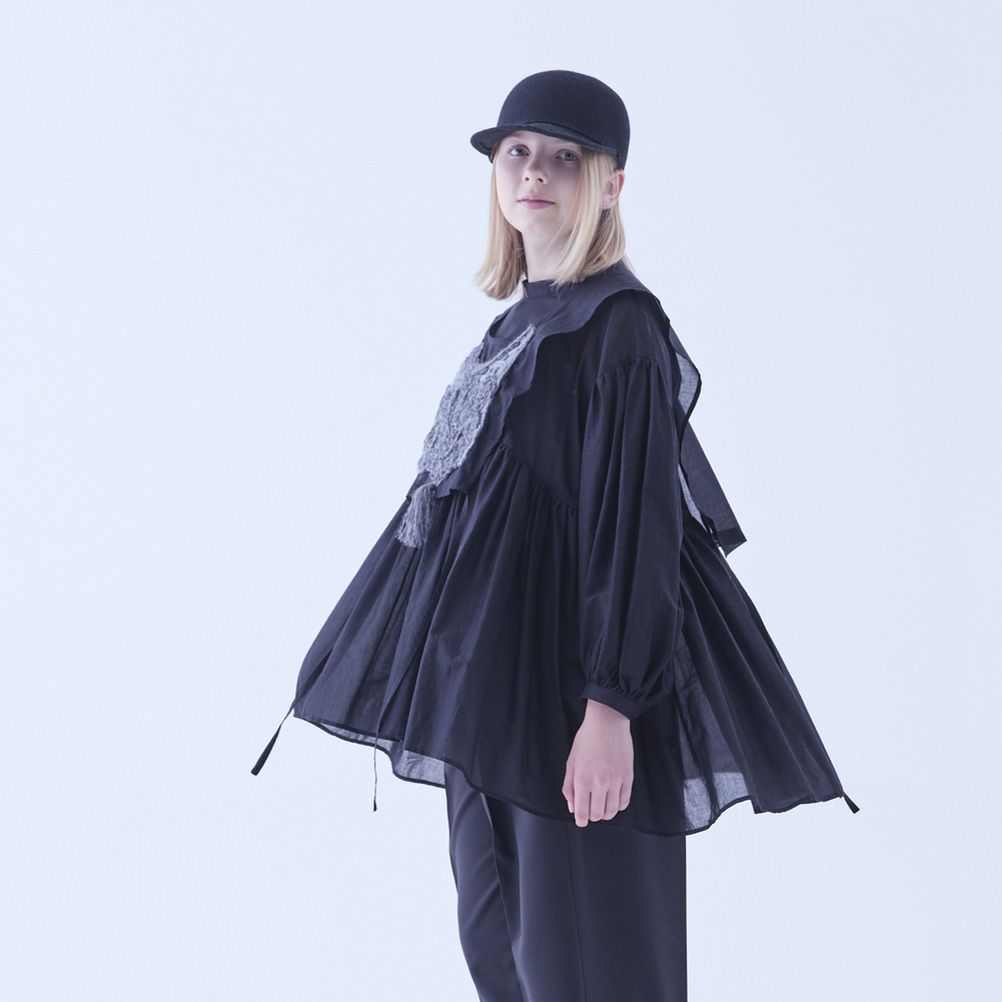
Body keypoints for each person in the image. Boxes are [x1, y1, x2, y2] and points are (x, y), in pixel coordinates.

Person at [251, 69, 859, 1001]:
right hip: (487, 696)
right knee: (505, 954)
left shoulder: (620, 326)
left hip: (572, 703)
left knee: (593, 965)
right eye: (517, 152)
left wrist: (610, 710)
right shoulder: (516, 323)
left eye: (564, 158)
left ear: (610, 184)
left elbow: (638, 529)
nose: (533, 172)